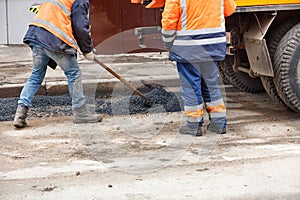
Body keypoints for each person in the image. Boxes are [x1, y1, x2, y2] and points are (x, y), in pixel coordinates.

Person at [13, 0, 101, 128]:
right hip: (53, 38)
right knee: (74, 73)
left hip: (36, 35)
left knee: (35, 76)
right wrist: (87, 50)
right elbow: (80, 26)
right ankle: (81, 113)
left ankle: (20, 115)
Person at [161, 0, 236, 136]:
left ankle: (194, 125)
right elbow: (230, 9)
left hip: (188, 48)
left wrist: (168, 43)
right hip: (212, 47)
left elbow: (169, 20)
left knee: (191, 87)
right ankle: (218, 124)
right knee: (211, 85)